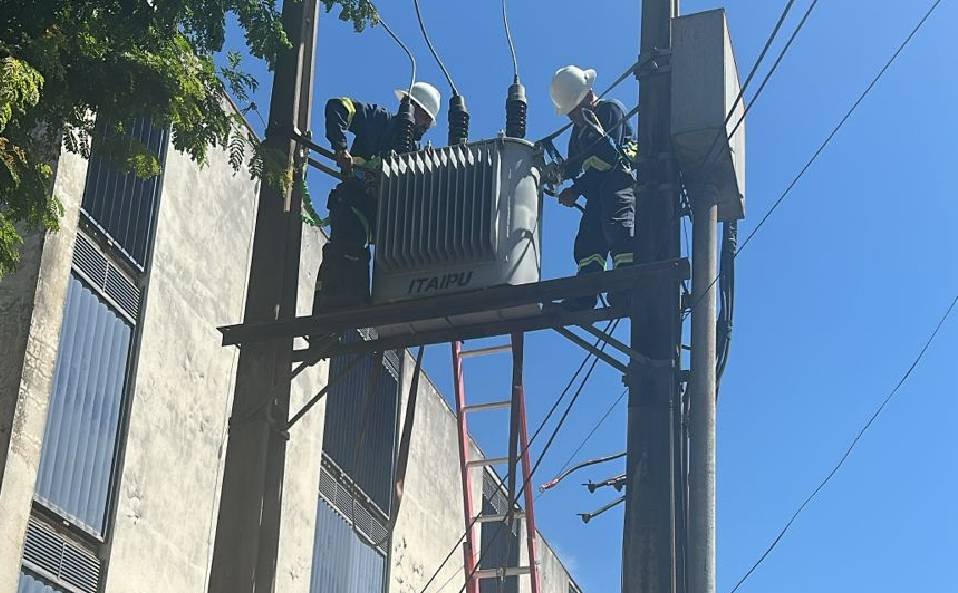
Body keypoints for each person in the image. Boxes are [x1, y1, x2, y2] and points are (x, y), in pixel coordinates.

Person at [314, 81, 441, 313]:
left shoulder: (417, 156)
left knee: (370, 274)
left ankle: (357, 323)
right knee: (347, 256)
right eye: (421, 116)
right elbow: (338, 107)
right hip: (354, 206)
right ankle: (329, 318)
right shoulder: (377, 120)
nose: (421, 125)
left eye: (426, 121)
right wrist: (341, 148)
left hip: (382, 225)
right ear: (409, 107)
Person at [549, 65, 639, 310]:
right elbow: (573, 166)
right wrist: (548, 175)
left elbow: (609, 159)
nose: (573, 118)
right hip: (597, 193)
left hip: (619, 184)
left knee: (619, 229)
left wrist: (575, 190)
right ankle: (585, 294)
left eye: (575, 111)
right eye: (570, 114)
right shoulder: (578, 132)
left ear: (589, 95)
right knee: (589, 240)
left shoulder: (610, 110)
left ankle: (626, 286)